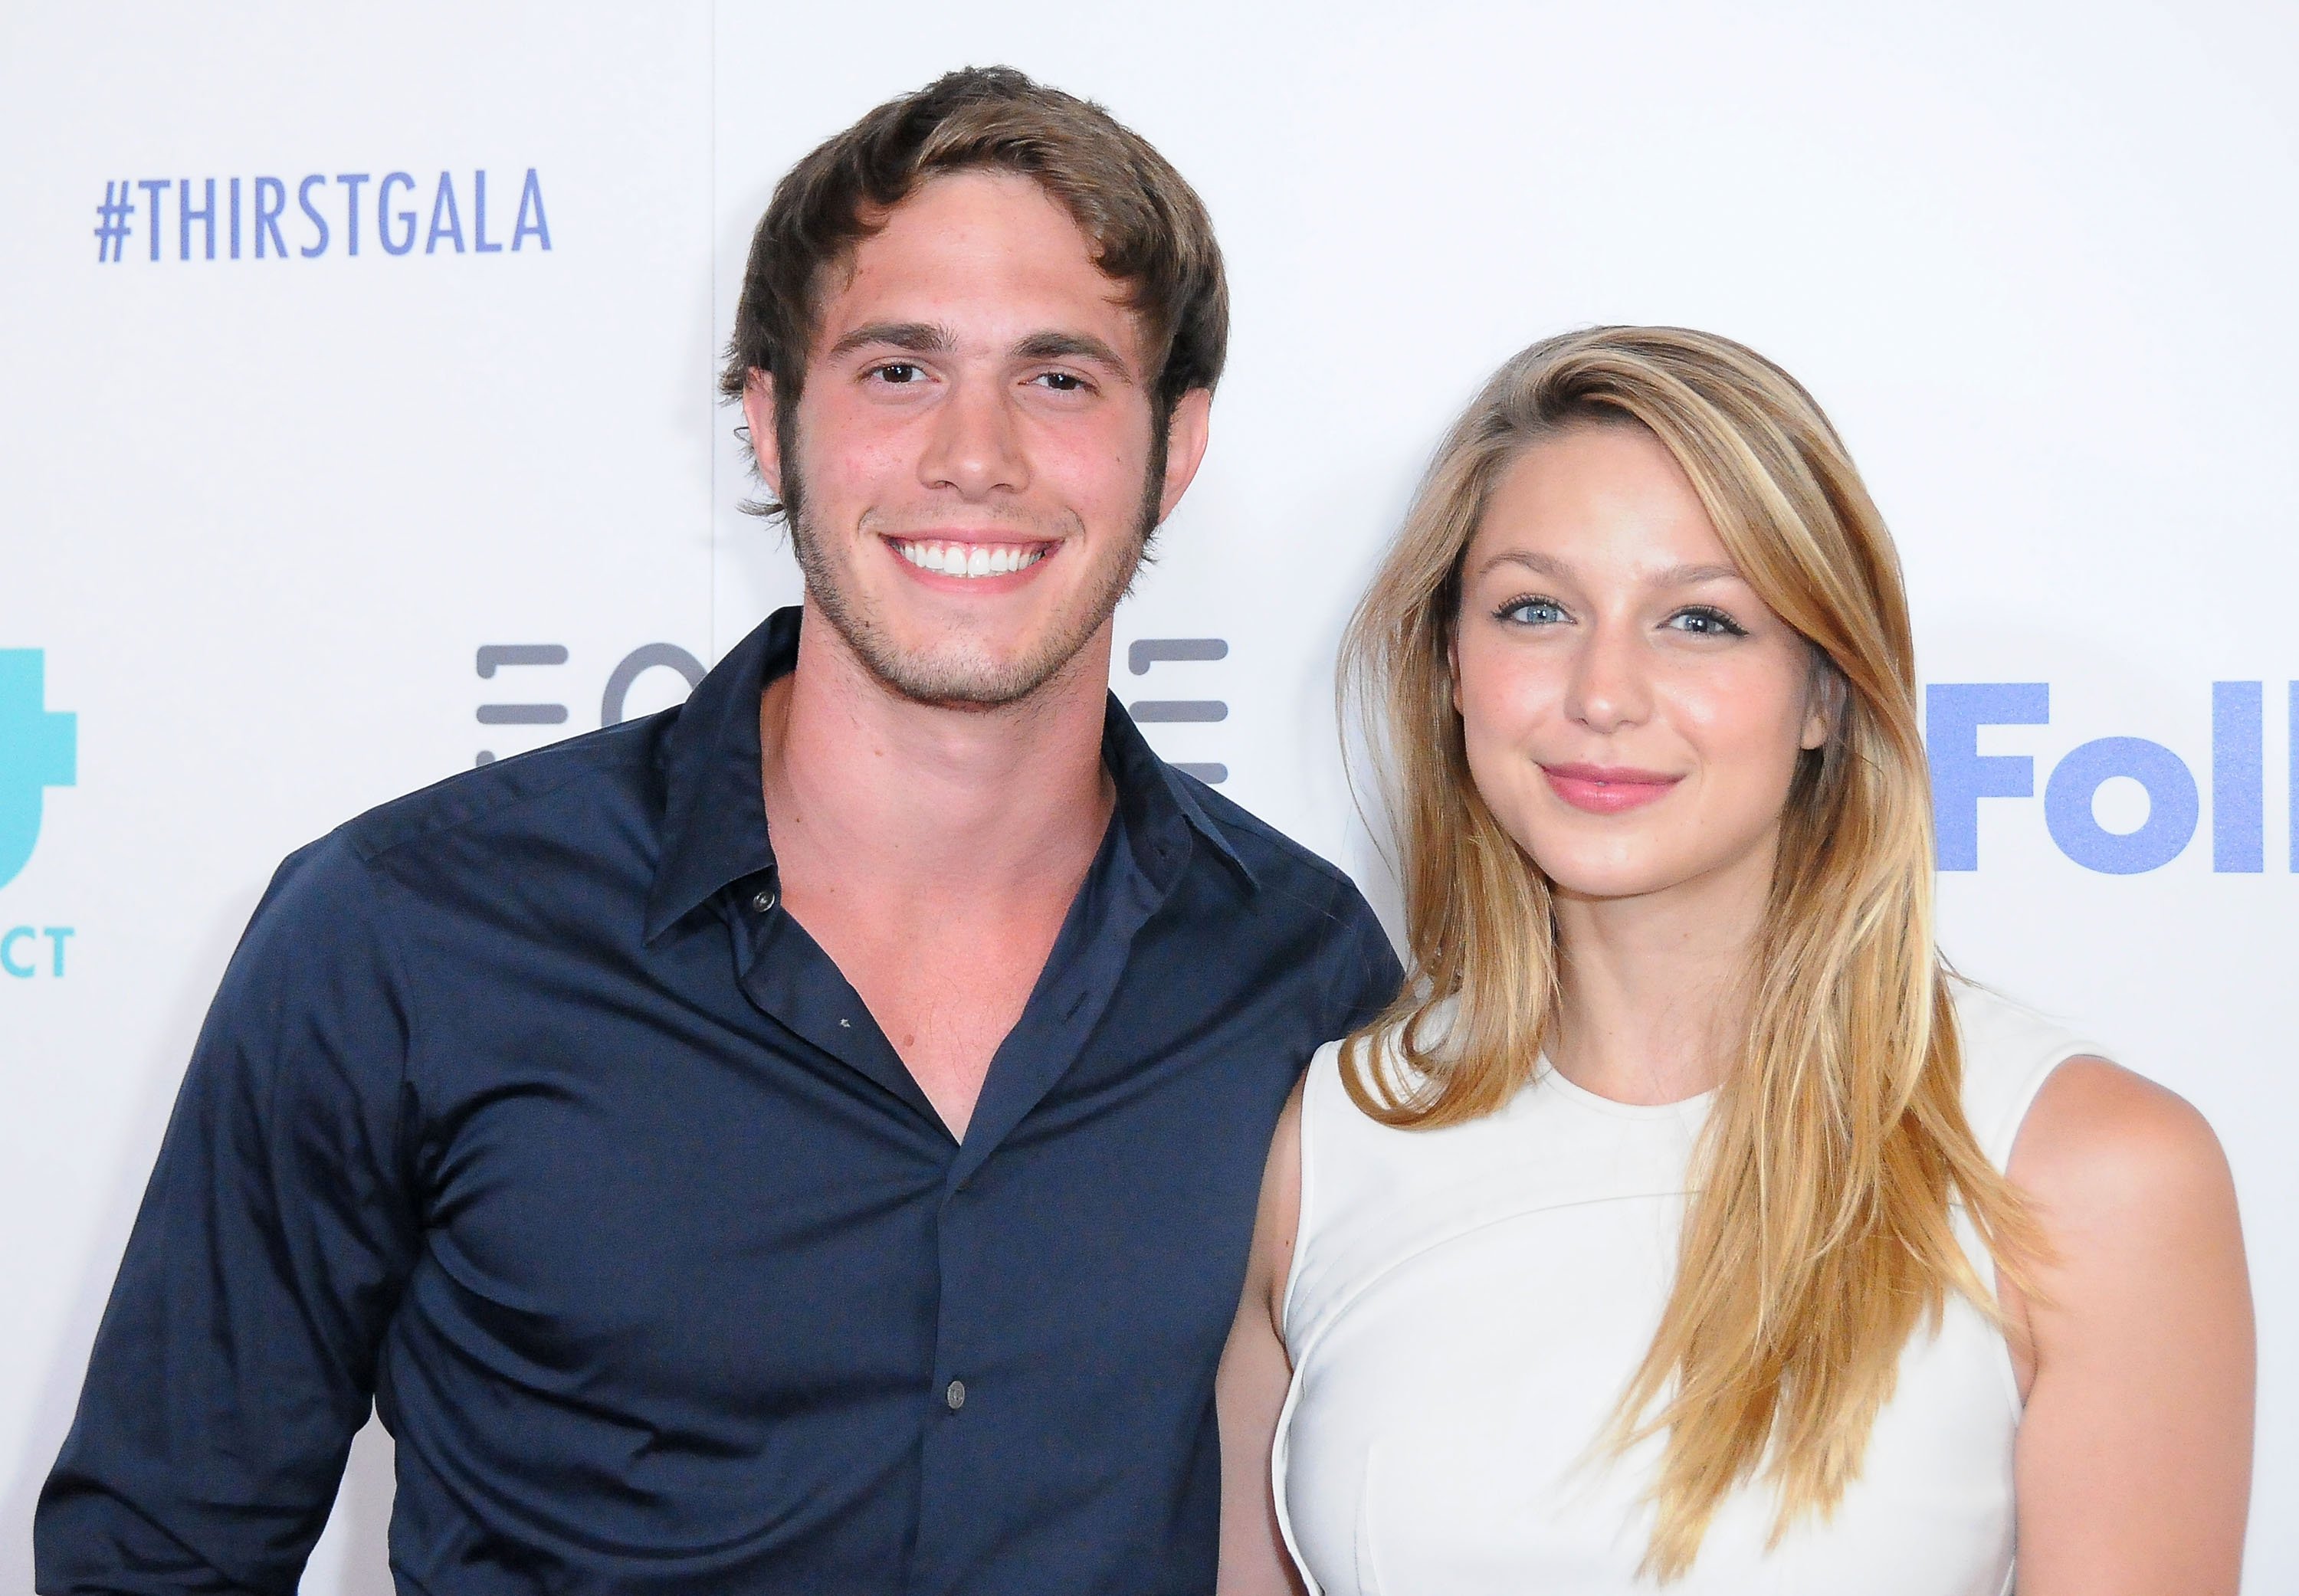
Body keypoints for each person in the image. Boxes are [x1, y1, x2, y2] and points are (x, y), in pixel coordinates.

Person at [38, 67, 1399, 1595]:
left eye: (1060, 377)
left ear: (1179, 444)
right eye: (898, 371)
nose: (976, 454)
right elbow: (159, 1553)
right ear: (769, 420)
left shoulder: (1298, 969)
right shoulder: (401, 936)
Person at [1215, 327, 2253, 1594]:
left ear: (1826, 695)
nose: (1604, 691)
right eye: (1536, 609)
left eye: (1701, 621)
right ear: (1451, 667)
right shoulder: (1326, 1144)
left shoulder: (2085, 1170)